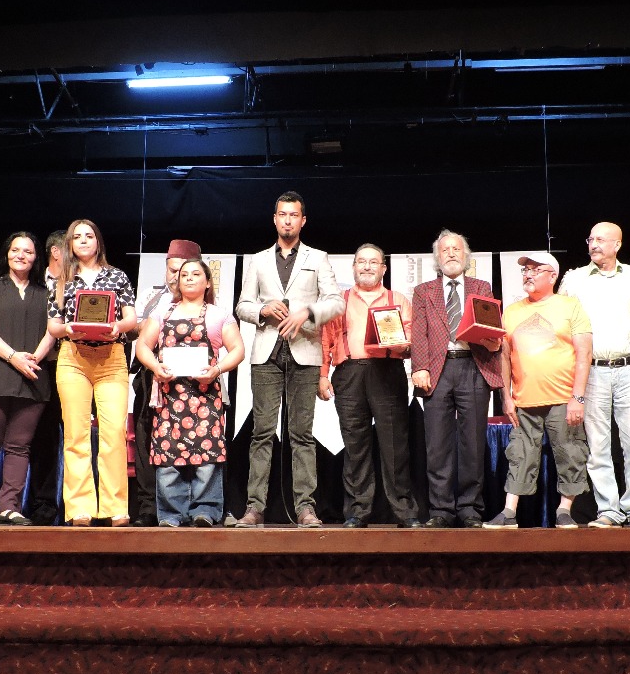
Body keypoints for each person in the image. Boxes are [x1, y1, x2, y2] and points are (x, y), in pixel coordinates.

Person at [234, 192, 344, 528]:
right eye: (282, 214)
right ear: (274, 219)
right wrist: (262, 309)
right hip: (267, 353)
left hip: (305, 351)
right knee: (262, 433)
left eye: (293, 215)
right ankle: (254, 508)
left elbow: (336, 302)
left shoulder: (318, 257)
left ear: (302, 220)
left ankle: (306, 508)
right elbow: (242, 306)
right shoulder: (258, 260)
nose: (287, 220)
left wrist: (307, 312)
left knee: (301, 434)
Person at [557, 222, 630, 528]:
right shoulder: (574, 279)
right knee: (598, 445)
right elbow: (560, 323)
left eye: (601, 239)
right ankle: (608, 509)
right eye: (591, 239)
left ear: (617, 245)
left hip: (629, 368)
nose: (594, 244)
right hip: (594, 370)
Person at [135, 257, 244, 527]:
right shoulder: (162, 313)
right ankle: (171, 513)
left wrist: (216, 369)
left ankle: (205, 510)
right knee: (169, 454)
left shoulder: (219, 315)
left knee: (206, 456)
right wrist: (155, 367)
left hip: (205, 396)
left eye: (196, 274)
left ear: (207, 282)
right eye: (185, 275)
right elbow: (142, 346)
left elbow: (238, 350)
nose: (190, 278)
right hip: (169, 396)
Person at [318, 243, 420, 528]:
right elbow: (325, 339)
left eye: (373, 262)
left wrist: (401, 344)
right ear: (353, 267)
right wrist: (323, 375)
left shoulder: (398, 299)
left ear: (383, 268)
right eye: (361, 261)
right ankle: (357, 511)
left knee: (395, 445)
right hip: (349, 373)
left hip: (387, 371)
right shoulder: (339, 301)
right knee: (355, 446)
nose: (367, 266)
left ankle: (405, 511)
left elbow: (411, 339)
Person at [487, 252, 591, 529]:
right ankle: (509, 512)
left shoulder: (570, 306)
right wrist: (506, 397)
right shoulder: (512, 311)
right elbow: (504, 356)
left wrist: (578, 397)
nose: (528, 274)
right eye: (526, 270)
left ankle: (564, 510)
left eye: (535, 270)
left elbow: (584, 353)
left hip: (563, 398)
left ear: (552, 276)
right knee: (519, 454)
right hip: (524, 400)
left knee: (570, 453)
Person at [46, 219, 137, 527]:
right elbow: (53, 326)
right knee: (76, 434)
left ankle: (115, 507)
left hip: (111, 359)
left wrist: (117, 327)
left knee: (113, 433)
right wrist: (68, 328)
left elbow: (131, 318)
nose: (83, 240)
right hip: (73, 358)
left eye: (89, 236)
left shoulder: (117, 276)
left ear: (98, 241)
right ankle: (80, 508)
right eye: (77, 237)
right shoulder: (61, 280)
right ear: (70, 244)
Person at [410, 229, 503, 528]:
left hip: (473, 366)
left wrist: (493, 339)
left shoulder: (481, 287)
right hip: (437, 370)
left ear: (466, 256)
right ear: (437, 257)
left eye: (456, 249)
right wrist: (419, 367)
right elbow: (419, 332)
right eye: (445, 250)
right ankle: (441, 510)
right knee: (437, 444)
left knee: (472, 443)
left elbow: (492, 325)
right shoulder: (424, 291)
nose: (451, 253)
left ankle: (469, 509)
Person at [0, 232, 54, 525]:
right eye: (16, 250)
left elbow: (52, 331)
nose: (21, 256)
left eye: (28, 251)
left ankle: (10, 506)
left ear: (36, 257)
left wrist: (34, 358)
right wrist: (14, 357)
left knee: (19, 447)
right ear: (7, 253)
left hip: (32, 378)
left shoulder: (45, 293)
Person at [131, 238, 201, 527]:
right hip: (152, 376)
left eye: (182, 271)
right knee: (147, 439)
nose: (176, 277)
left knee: (192, 440)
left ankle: (194, 507)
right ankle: (149, 506)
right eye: (171, 270)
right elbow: (131, 327)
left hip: (194, 381)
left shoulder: (205, 300)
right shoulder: (152, 297)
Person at [26, 229, 67, 525]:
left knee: (75, 437)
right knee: (42, 437)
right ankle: (42, 505)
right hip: (40, 367)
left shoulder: (79, 283)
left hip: (75, 365)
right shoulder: (34, 283)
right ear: (56, 251)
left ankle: (75, 506)